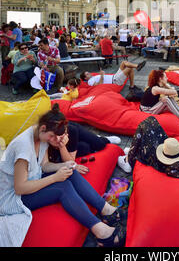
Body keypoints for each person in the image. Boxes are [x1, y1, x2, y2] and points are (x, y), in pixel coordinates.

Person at [0, 104, 126, 247]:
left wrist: (65, 166)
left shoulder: (41, 136)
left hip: (31, 181)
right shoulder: (23, 148)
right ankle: (102, 233)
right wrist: (54, 177)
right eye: (53, 137)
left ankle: (107, 210)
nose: (55, 141)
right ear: (43, 128)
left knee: (69, 172)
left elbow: (44, 165)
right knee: (62, 187)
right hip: (13, 199)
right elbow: (20, 188)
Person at [80, 59, 146, 89]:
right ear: (85, 78)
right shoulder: (90, 81)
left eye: (88, 72)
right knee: (129, 68)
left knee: (123, 62)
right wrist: (102, 75)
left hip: (115, 76)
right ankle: (132, 86)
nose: (90, 73)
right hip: (115, 81)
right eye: (87, 74)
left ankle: (137, 66)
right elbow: (98, 85)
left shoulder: (93, 77)